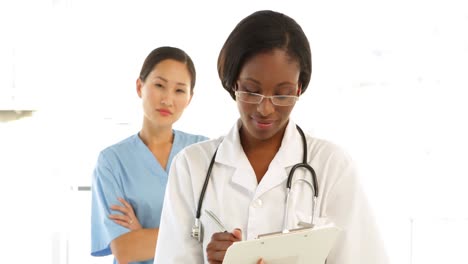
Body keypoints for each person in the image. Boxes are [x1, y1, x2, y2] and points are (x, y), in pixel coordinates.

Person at [153, 10, 389, 264]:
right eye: (252, 91)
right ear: (234, 83)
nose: (265, 109)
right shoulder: (191, 166)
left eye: (283, 94)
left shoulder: (331, 165)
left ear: (300, 88)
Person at [90, 46, 208, 264]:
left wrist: (142, 234)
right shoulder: (112, 162)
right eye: (159, 85)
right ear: (139, 86)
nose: (167, 100)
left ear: (190, 98)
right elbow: (126, 250)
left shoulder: (202, 150)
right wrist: (192, 233)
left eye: (179, 90)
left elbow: (218, 233)